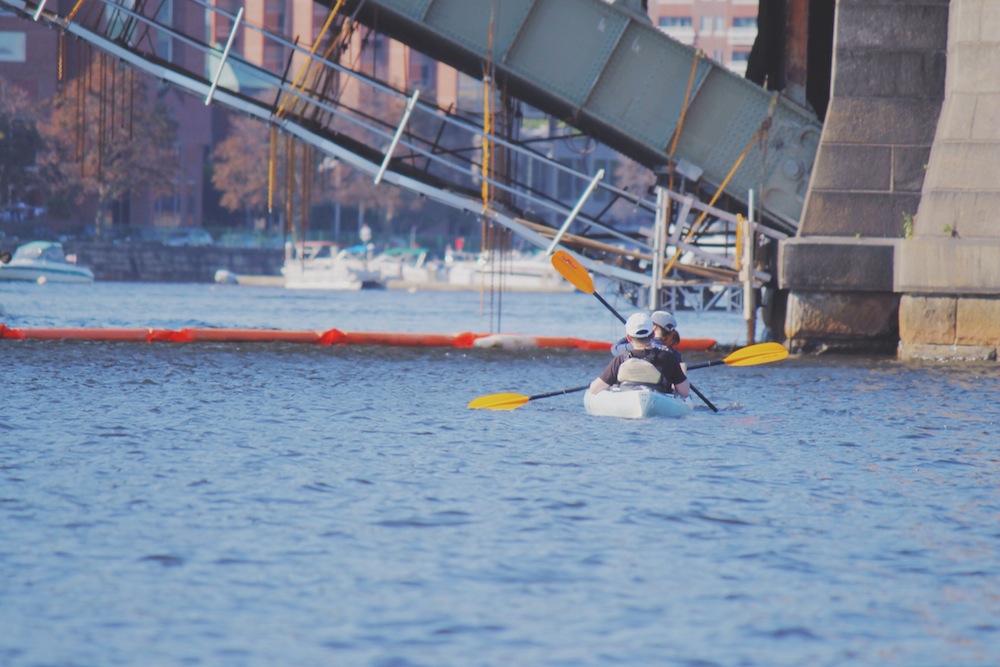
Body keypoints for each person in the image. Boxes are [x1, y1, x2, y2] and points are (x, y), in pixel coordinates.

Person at [589, 313, 690, 398]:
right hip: (660, 399)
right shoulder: (670, 357)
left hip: (628, 399)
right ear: (652, 334)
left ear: (629, 337)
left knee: (613, 383)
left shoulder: (620, 359)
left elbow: (593, 389)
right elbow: (684, 393)